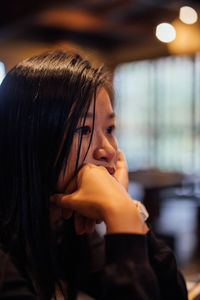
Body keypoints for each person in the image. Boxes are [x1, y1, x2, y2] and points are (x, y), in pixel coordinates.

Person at [0, 50, 187, 300]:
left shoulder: (65, 228)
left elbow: (173, 295)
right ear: (32, 138)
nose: (109, 151)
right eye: (83, 129)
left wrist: (127, 209)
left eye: (109, 128)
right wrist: (120, 214)